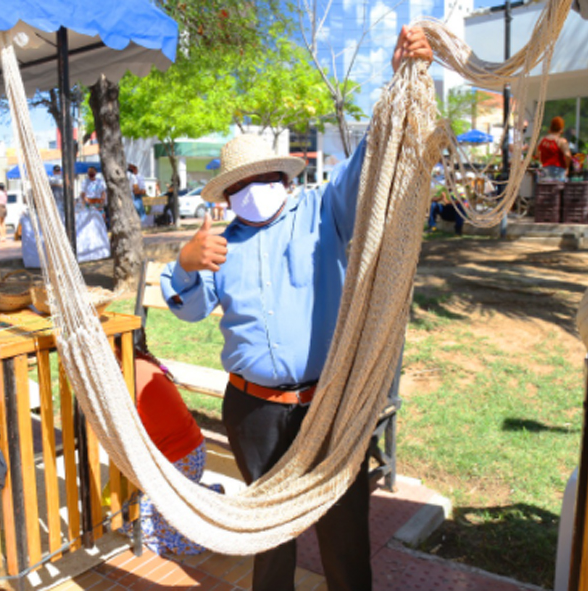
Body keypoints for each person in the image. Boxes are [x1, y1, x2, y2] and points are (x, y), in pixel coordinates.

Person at [159, 26, 431, 591]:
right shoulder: (220, 242)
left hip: (328, 405)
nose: (256, 189)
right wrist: (186, 260)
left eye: (266, 177)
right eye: (243, 184)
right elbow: (184, 309)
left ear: (284, 178)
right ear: (228, 194)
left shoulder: (321, 213)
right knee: (269, 539)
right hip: (252, 411)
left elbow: (371, 164)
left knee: (343, 535)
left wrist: (399, 77)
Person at [119, 351, 223, 555]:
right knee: (134, 510)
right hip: (192, 454)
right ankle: (201, 498)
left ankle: (214, 534)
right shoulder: (140, 363)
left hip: (178, 462)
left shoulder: (127, 379)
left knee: (133, 523)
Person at [534, 116, 572, 181]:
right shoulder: (561, 141)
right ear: (561, 129)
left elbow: (537, 155)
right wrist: (567, 167)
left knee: (545, 190)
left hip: (544, 169)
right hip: (558, 170)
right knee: (559, 189)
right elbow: (567, 155)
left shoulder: (542, 140)